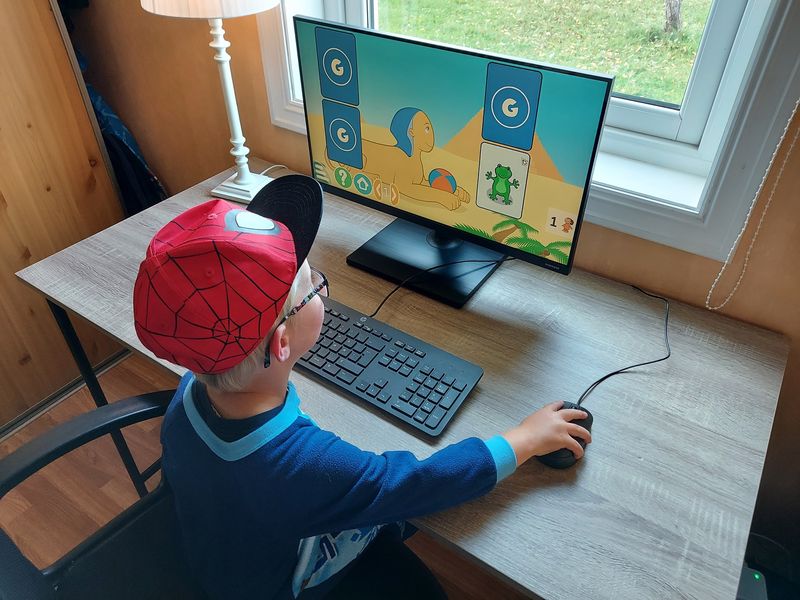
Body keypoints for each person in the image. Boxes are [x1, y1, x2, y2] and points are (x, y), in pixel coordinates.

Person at [132, 174, 591, 600]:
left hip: (224, 553)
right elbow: (414, 484)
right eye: (312, 284)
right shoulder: (308, 467)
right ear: (281, 342)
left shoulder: (190, 390)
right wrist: (525, 439)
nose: (321, 286)